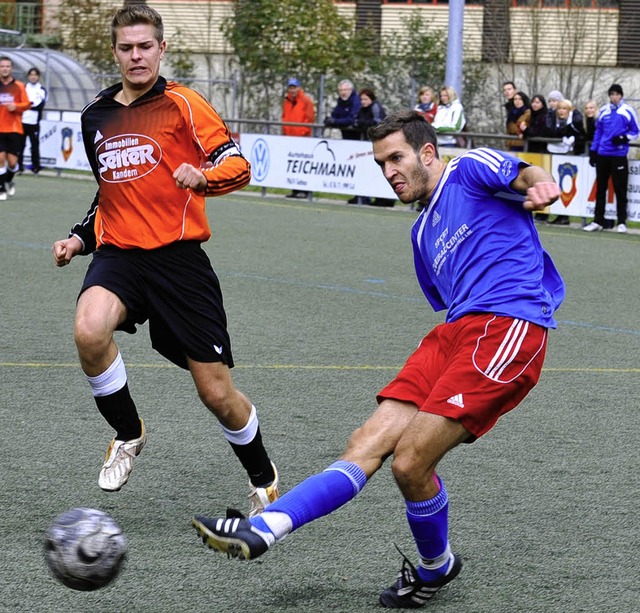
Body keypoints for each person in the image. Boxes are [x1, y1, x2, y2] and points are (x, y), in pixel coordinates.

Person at [192, 111, 565, 609]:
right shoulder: (420, 234)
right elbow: (452, 298)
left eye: (396, 158)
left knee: (410, 461)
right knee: (366, 442)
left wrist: (544, 186)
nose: (389, 171)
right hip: (453, 333)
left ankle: (435, 567)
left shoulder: (467, 168)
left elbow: (525, 174)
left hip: (508, 324)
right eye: (380, 162)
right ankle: (264, 529)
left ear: (426, 153)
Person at [51, 4, 279, 517]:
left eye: (145, 46)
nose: (136, 56)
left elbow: (237, 164)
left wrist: (205, 178)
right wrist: (79, 239)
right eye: (127, 48)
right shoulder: (96, 116)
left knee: (216, 392)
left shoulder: (184, 103)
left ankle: (263, 478)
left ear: (161, 48)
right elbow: (108, 195)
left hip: (179, 262)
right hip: (121, 257)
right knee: (89, 330)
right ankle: (128, 433)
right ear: (115, 52)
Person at [584, 83, 639, 234]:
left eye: (617, 94)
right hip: (603, 154)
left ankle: (621, 222)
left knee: (620, 189)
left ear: (621, 95)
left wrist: (623, 138)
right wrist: (594, 151)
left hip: (619, 155)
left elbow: (636, 131)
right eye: (612, 94)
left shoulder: (627, 110)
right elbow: (598, 132)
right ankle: (598, 221)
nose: (614, 97)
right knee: (600, 189)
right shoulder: (603, 110)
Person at [546, 99, 586, 225]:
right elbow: (549, 132)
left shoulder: (573, 122)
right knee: (550, 183)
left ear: (569, 111)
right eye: (559, 108)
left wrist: (573, 137)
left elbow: (582, 135)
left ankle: (563, 215)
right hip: (552, 152)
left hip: (568, 155)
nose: (561, 111)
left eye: (564, 109)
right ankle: (546, 213)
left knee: (565, 186)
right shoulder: (553, 120)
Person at [353, 88, 393, 207]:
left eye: (366, 99)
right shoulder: (361, 109)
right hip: (367, 144)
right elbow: (357, 121)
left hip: (380, 144)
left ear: (371, 99)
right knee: (365, 171)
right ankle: (363, 196)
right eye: (361, 99)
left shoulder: (375, 108)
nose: (363, 101)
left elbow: (377, 123)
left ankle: (385, 199)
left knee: (381, 171)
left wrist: (363, 124)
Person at [0, 56, 30, 200]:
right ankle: (1, 190)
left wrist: (16, 106)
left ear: (11, 69)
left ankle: (8, 180)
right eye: (2, 66)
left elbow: (27, 104)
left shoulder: (19, 86)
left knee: (12, 163)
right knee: (0, 158)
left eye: (7, 66)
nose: (4, 69)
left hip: (14, 129)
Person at [282, 77, 315, 199]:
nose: (292, 90)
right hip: (290, 138)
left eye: (294, 87)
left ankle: (304, 190)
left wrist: (303, 132)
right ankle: (295, 189)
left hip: (303, 138)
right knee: (293, 165)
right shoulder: (286, 101)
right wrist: (285, 131)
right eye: (290, 87)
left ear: (299, 88)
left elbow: (310, 119)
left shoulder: (306, 101)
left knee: (303, 164)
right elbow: (284, 117)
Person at [19, 66, 47, 174]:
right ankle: (19, 166)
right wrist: (28, 105)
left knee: (34, 145)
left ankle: (36, 167)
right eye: (31, 75)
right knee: (20, 145)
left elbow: (40, 105)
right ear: (28, 76)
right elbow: (20, 103)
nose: (33, 77)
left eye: (35, 75)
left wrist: (28, 105)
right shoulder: (24, 88)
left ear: (38, 77)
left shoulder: (41, 90)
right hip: (22, 121)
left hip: (34, 122)